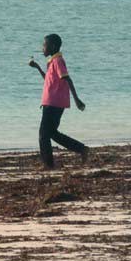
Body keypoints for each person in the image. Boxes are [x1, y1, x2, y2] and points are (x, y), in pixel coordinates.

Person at [27, 33, 88, 170]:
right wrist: (37, 67)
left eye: (44, 45)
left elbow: (67, 79)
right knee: (52, 133)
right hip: (51, 102)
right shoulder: (52, 62)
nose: (42, 48)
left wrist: (77, 99)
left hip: (54, 103)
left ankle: (48, 165)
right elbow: (49, 81)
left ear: (53, 46)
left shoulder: (58, 61)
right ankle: (82, 149)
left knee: (44, 135)